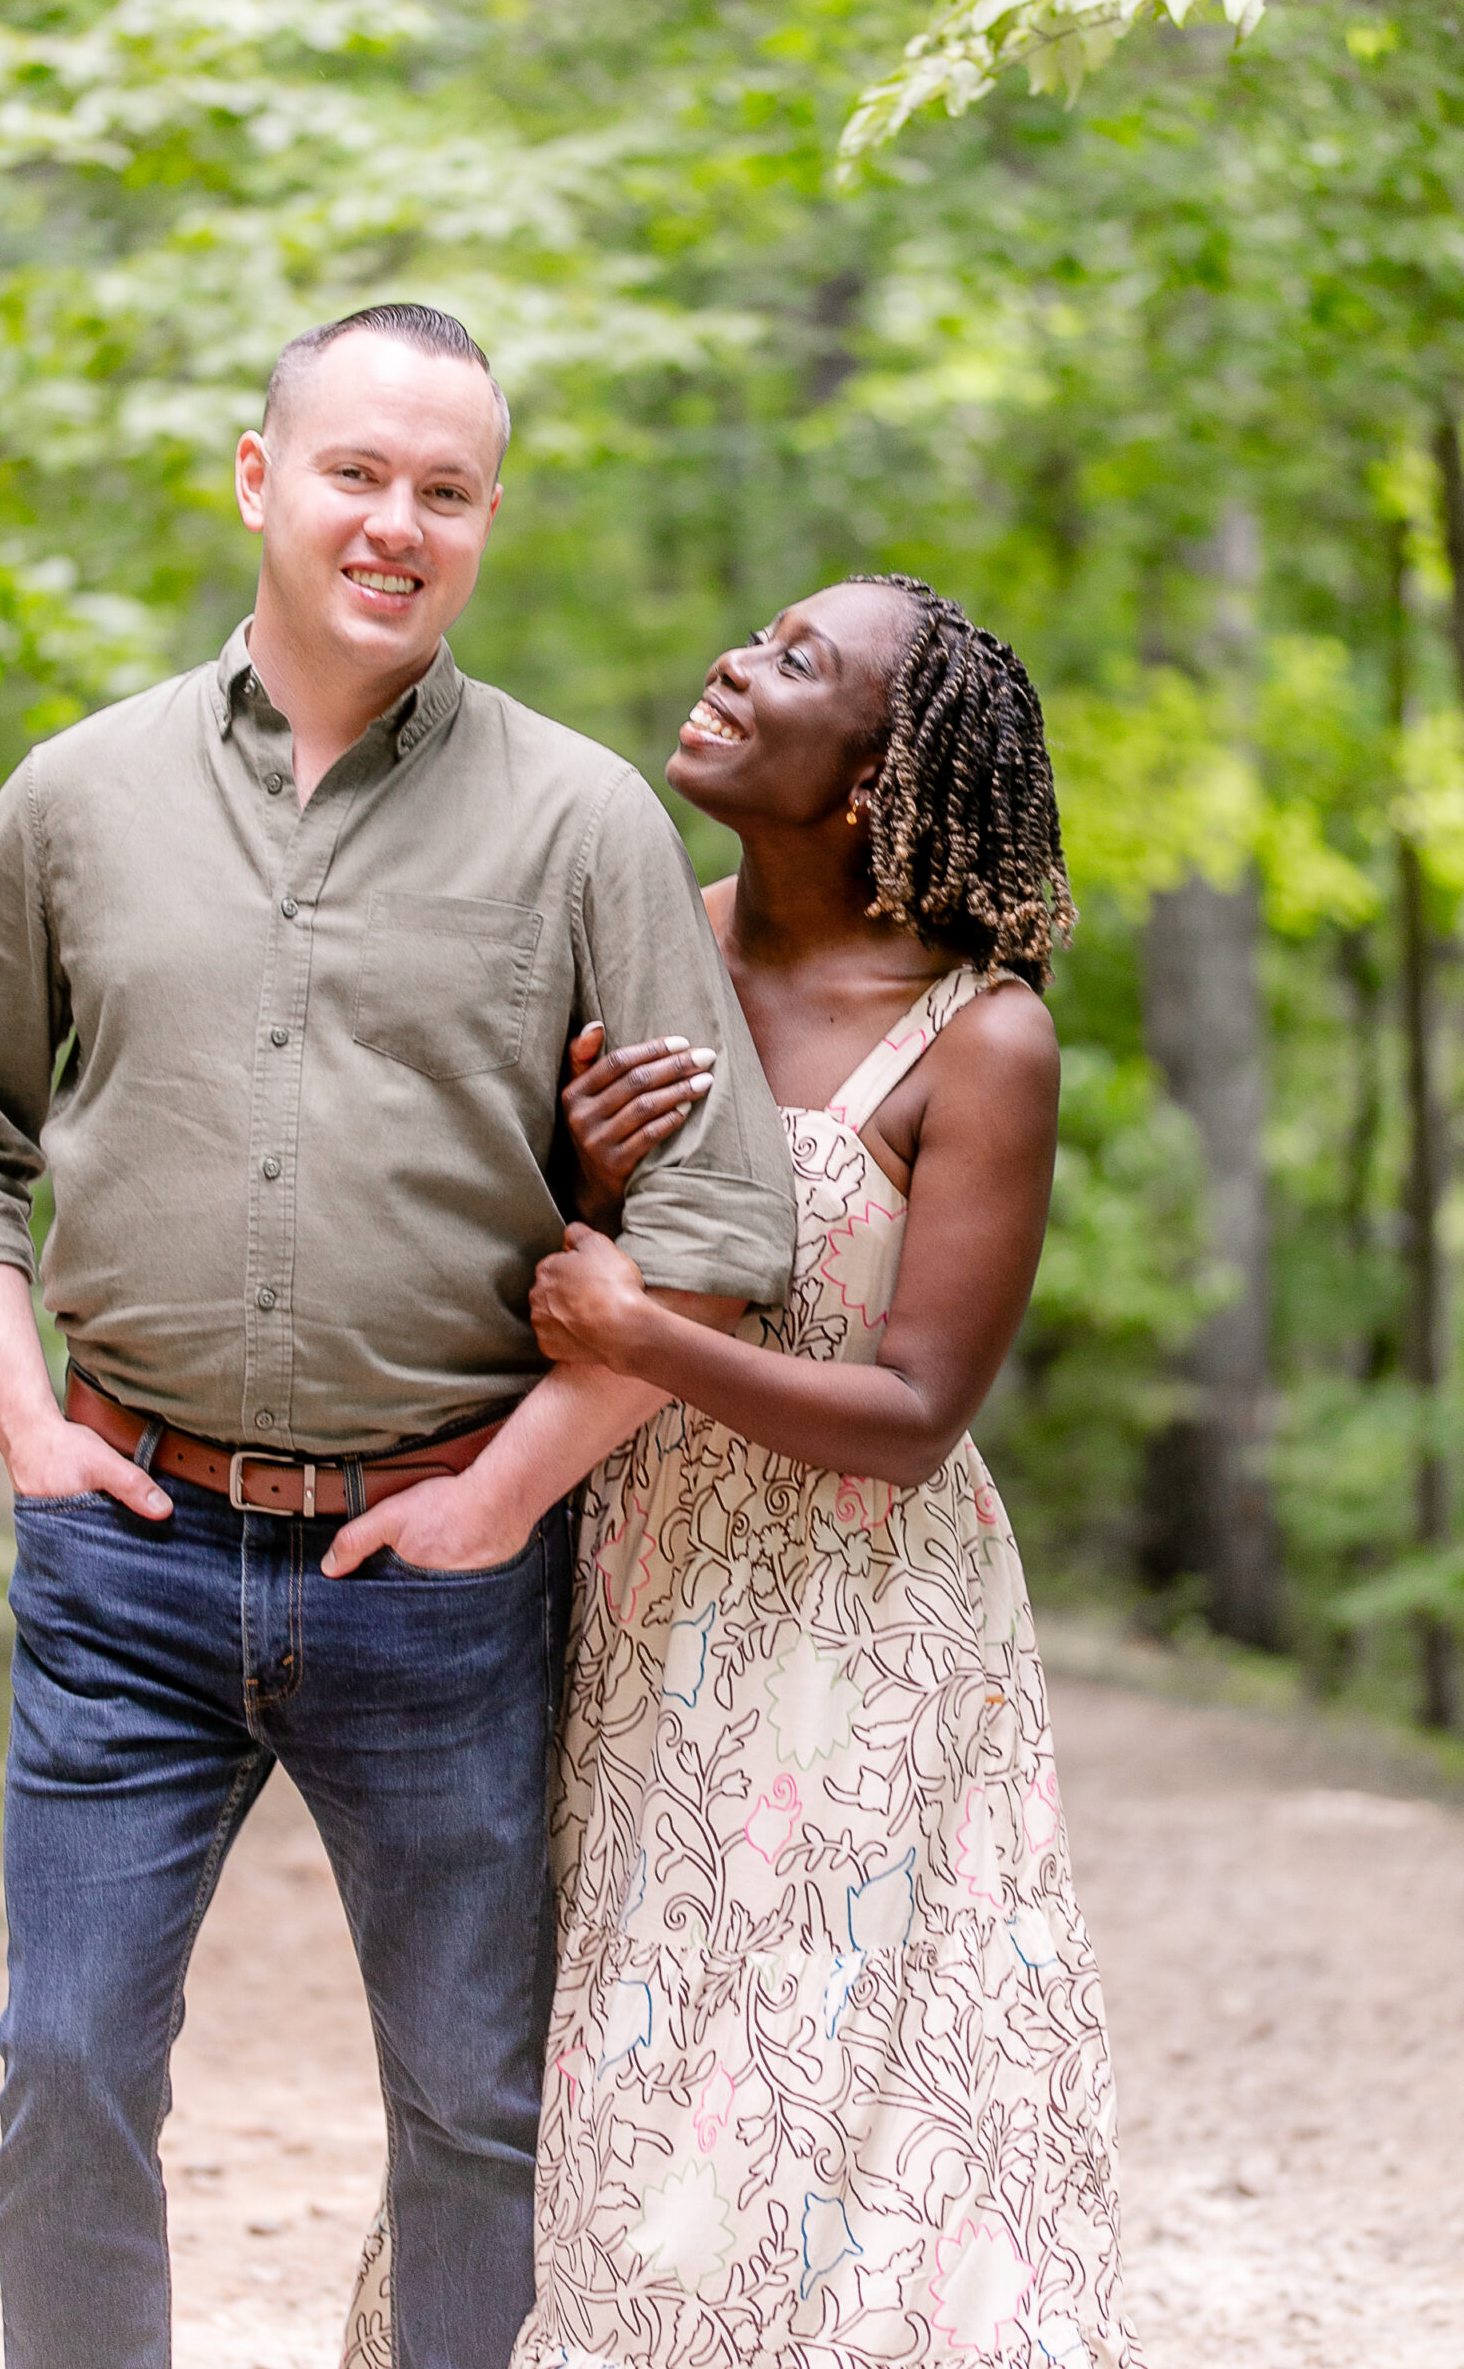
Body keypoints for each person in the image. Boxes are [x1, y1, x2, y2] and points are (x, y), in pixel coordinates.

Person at [0, 302, 797, 2369]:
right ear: (256, 476)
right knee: (67, 2074)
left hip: (440, 1579)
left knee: (474, 2114)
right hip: (124, 1554)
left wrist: (501, 1494)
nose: (396, 521)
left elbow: (722, 1224)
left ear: (486, 519)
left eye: (445, 490)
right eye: (356, 472)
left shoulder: (579, 824)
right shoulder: (74, 794)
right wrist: (28, 1426)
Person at [515, 575, 1143, 2366]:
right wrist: (571, 1172)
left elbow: (916, 1408)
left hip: (855, 1622)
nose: (731, 658)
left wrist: (648, 1343)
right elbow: (552, 1273)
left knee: (815, 2057)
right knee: (609, 2045)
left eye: (797, 662)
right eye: (757, 631)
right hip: (632, 1577)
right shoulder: (648, 955)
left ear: (874, 777)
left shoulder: (978, 1037)